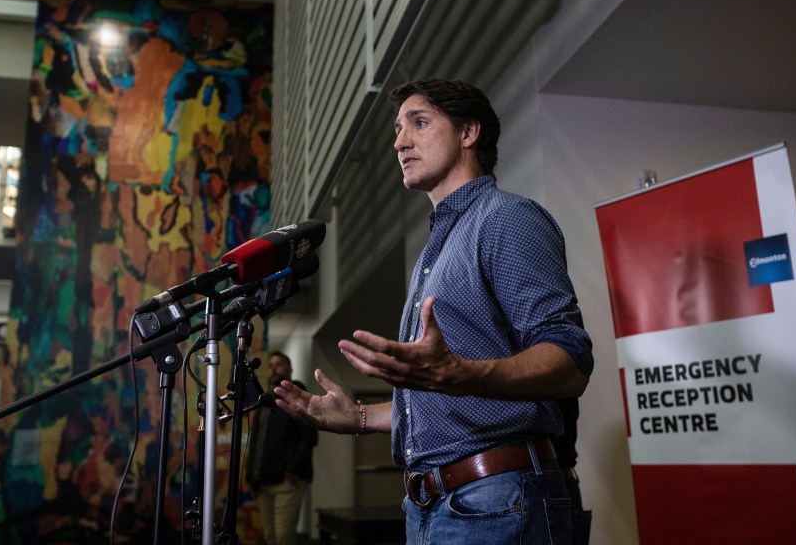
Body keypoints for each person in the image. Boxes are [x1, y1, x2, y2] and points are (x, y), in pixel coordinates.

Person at [275, 79, 593, 544]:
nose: (400, 141)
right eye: (398, 129)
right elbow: (442, 397)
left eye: (419, 123)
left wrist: (460, 373)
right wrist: (360, 418)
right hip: (432, 507)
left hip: (499, 501)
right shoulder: (435, 249)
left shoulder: (506, 218)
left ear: (468, 132)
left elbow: (571, 360)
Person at [246, 351, 318, 545]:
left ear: (290, 369)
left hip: (286, 482)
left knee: (283, 538)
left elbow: (309, 435)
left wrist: (293, 469)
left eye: (278, 364)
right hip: (263, 482)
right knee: (270, 538)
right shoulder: (266, 400)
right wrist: (252, 477)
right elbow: (258, 441)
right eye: (270, 365)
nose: (273, 369)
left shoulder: (297, 394)